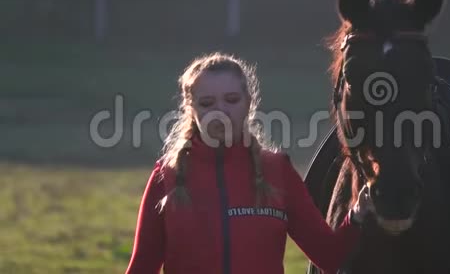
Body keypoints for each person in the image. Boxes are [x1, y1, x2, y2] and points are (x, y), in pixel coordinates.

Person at [125, 52, 374, 274]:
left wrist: (357, 215)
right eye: (207, 103)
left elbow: (328, 256)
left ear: (248, 103)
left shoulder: (277, 171)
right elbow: (141, 268)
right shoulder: (166, 177)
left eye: (231, 100)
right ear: (191, 109)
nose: (220, 111)